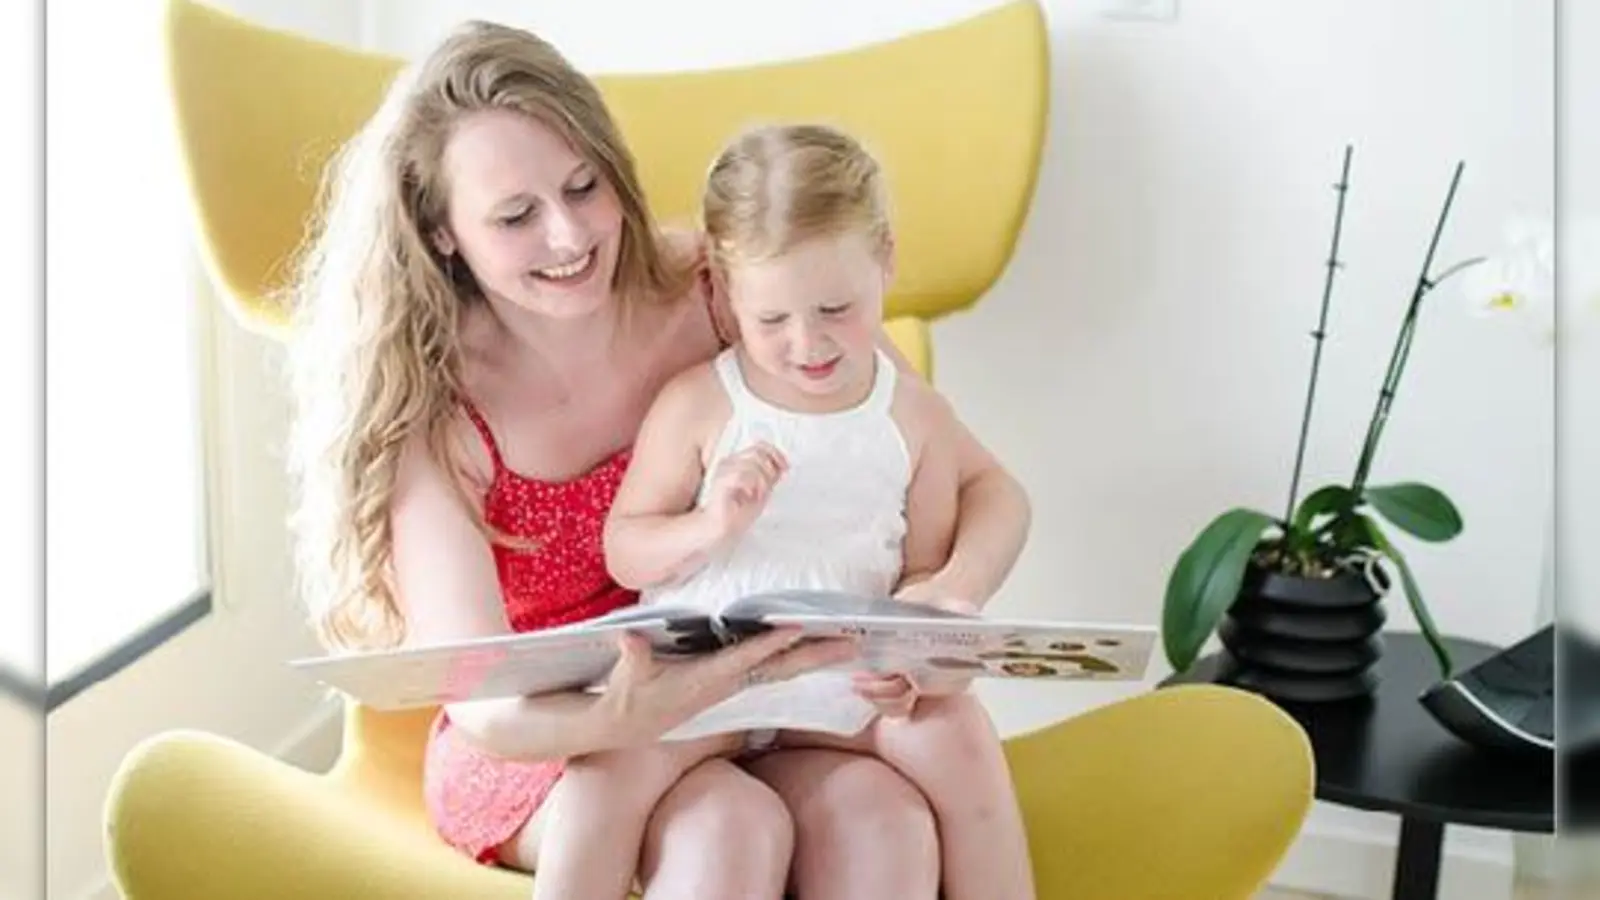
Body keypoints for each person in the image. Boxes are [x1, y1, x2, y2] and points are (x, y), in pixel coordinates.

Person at [282, 18, 1032, 900]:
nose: (569, 238)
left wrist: (951, 590)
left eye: (583, 186)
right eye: (517, 216)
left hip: (763, 699)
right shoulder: (436, 406)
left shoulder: (718, 292)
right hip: (557, 734)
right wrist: (626, 715)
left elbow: (926, 439)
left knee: (884, 820)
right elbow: (483, 699)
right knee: (728, 830)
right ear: (442, 232)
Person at [520, 123, 1036, 900]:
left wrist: (920, 646)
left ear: (886, 259)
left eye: (837, 307)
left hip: (839, 687)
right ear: (721, 296)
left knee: (959, 737)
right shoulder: (698, 404)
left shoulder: (915, 418)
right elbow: (626, 549)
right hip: (701, 689)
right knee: (600, 784)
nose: (809, 343)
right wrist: (710, 526)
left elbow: (924, 572)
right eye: (772, 320)